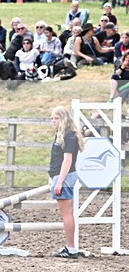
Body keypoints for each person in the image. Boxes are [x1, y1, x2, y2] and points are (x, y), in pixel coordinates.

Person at [49, 106, 84, 259]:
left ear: (63, 119)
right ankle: (70, 247)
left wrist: (59, 182)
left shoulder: (69, 136)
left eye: (56, 118)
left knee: (66, 214)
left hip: (64, 176)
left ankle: (71, 248)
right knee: (66, 213)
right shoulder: (63, 135)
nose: (53, 122)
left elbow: (67, 160)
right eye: (52, 118)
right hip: (61, 176)